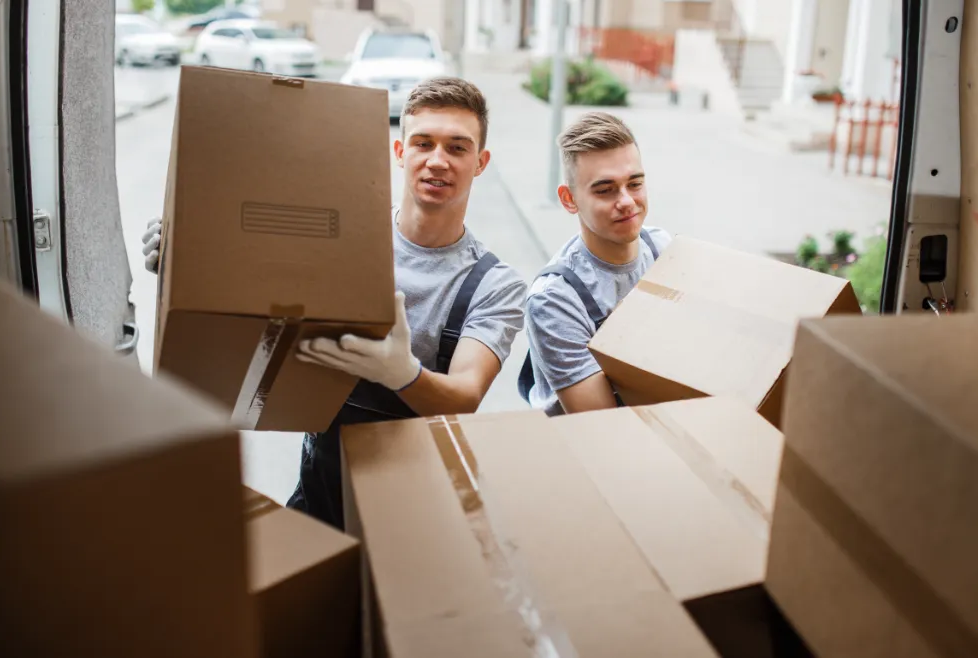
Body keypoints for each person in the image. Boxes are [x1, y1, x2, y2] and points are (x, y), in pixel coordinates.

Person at [143, 77, 527, 529]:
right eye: (424, 143)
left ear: (480, 162)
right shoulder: (340, 240)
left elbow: (465, 395)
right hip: (319, 496)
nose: (437, 161)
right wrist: (188, 263)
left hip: (419, 515)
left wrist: (402, 374)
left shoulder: (494, 284)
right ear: (400, 152)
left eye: (457, 148)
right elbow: (256, 286)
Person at [518, 112, 670, 416]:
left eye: (635, 183)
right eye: (605, 190)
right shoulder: (555, 298)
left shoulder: (664, 251)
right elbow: (602, 422)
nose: (626, 201)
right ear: (569, 199)